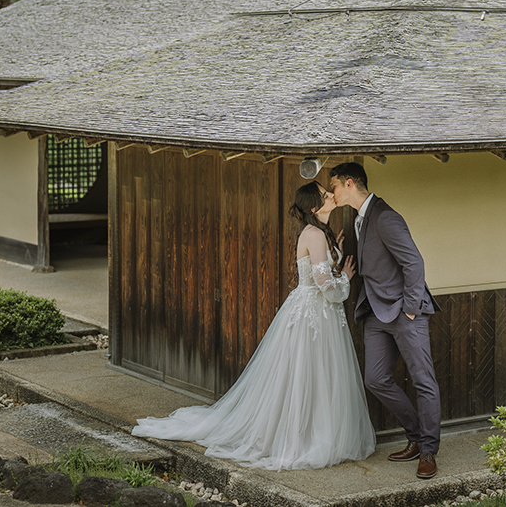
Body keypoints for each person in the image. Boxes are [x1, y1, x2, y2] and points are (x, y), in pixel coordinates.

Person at [131, 182, 375, 471]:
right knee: (304, 375)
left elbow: (322, 272)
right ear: (314, 207)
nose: (331, 195)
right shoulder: (313, 235)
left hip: (321, 316)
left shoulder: (322, 233)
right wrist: (345, 277)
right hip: (313, 315)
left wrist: (335, 255)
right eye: (325, 195)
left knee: (320, 375)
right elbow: (326, 287)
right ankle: (300, 438)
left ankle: (319, 433)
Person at [328, 162, 441, 479]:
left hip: (405, 312)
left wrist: (409, 308)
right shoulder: (360, 218)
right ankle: (416, 435)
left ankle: (429, 450)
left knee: (423, 381)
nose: (331, 192)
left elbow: (414, 263)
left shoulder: (386, 216)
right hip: (376, 312)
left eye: (334, 186)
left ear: (349, 184)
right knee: (375, 379)